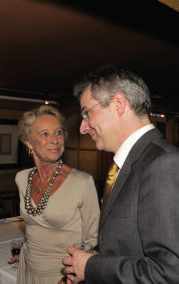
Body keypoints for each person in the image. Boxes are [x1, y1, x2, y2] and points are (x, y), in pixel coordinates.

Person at [62, 65, 179, 283]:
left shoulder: (163, 164)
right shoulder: (128, 163)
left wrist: (91, 267)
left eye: (87, 113)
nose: (83, 128)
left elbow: (170, 273)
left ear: (118, 104)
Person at [10, 105, 100, 283]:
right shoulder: (22, 178)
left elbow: (93, 242)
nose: (55, 140)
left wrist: (70, 275)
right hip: (28, 270)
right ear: (28, 141)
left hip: (62, 275)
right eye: (45, 134)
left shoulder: (83, 182)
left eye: (59, 133)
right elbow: (34, 230)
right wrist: (26, 255)